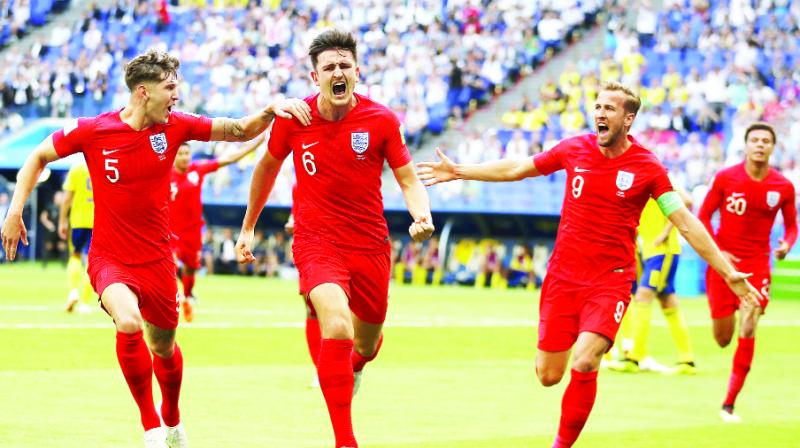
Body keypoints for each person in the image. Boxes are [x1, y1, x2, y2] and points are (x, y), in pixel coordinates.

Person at [417, 81, 762, 448]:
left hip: (610, 281)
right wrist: (461, 171)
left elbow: (686, 222)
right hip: (563, 277)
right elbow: (518, 168)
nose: (599, 113)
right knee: (548, 375)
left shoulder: (648, 167)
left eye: (609, 109)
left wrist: (728, 274)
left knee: (585, 360)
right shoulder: (575, 149)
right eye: (597, 107)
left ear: (628, 118)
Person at [1, 49, 311, 448]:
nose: (176, 96)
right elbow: (38, 155)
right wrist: (14, 211)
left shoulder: (177, 126)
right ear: (144, 93)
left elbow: (237, 129)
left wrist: (269, 111)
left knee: (164, 347)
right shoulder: (95, 130)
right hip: (110, 257)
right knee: (128, 322)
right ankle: (150, 428)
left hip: (158, 260)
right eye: (170, 88)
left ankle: (173, 418)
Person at [235, 29, 434, 448]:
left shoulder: (381, 120)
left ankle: (356, 365)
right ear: (315, 76)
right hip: (316, 241)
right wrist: (248, 225)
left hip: (370, 245)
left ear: (357, 73)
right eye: (330, 67)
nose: (338, 72)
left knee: (367, 342)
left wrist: (422, 215)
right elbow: (266, 170)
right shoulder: (294, 119)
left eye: (345, 65)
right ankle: (346, 440)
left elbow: (408, 178)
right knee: (337, 326)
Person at [697, 121, 797, 423]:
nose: (760, 144)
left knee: (750, 324)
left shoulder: (783, 186)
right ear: (746, 144)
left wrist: (786, 244)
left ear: (773, 147)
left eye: (766, 140)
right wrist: (717, 252)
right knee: (723, 338)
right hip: (724, 266)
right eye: (755, 139)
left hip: (757, 266)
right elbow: (703, 215)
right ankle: (725, 320)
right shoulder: (726, 178)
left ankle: (729, 404)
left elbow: (792, 225)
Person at [169, 134, 266, 322]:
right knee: (170, 265)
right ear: (174, 156)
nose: (184, 157)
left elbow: (229, 159)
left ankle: (188, 296)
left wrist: (256, 144)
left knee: (190, 269)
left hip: (192, 231)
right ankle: (174, 301)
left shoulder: (197, 169)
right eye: (180, 154)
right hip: (170, 231)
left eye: (187, 153)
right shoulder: (165, 174)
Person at [610, 187, 696, 374]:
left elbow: (687, 201)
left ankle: (634, 357)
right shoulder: (639, 179)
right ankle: (687, 359)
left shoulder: (659, 174)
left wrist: (666, 231)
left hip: (662, 251)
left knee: (642, 297)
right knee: (668, 302)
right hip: (650, 251)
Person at [58, 160, 95, 313]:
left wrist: (62, 221)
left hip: (78, 221)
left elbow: (67, 198)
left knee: (75, 256)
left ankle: (73, 291)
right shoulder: (101, 165)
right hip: (98, 221)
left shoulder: (76, 169)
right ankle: (85, 303)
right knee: (92, 261)